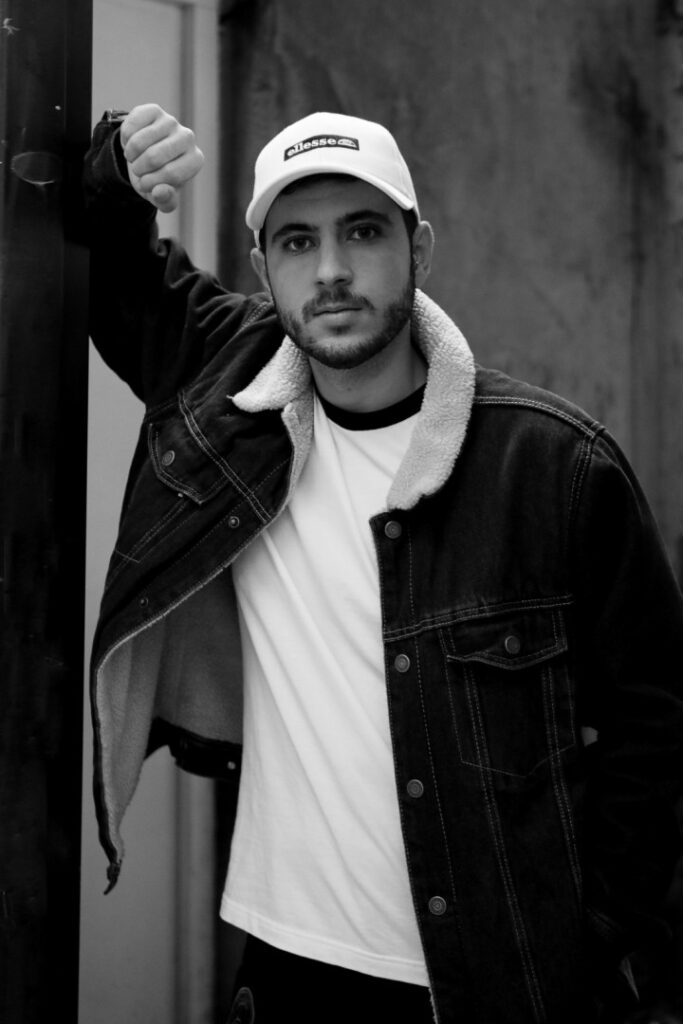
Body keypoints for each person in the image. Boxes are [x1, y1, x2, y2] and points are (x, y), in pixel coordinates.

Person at [83, 103, 683, 1024]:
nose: (330, 271)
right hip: (284, 966)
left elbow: (655, 724)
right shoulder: (227, 395)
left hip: (498, 979)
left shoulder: (553, 467)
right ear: (263, 271)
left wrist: (596, 934)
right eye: (297, 242)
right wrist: (120, 160)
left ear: (419, 249)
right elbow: (115, 275)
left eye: (361, 232)